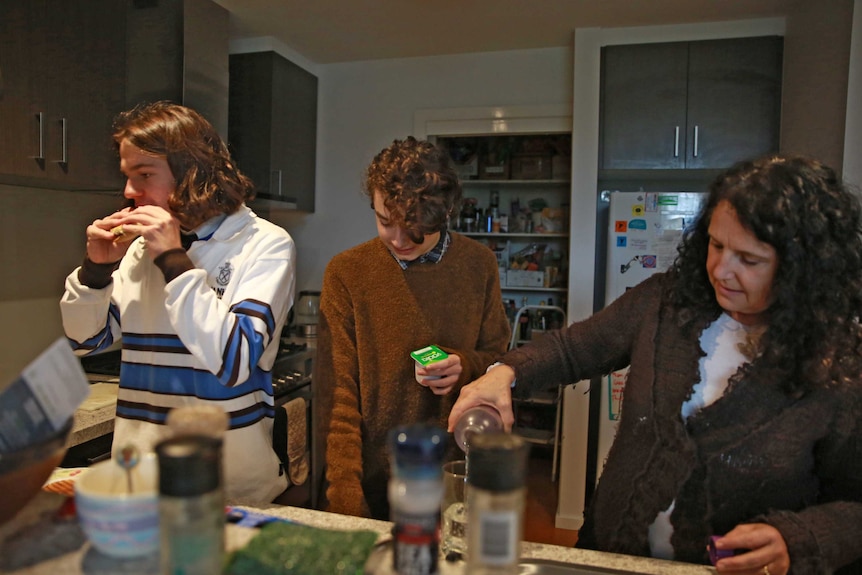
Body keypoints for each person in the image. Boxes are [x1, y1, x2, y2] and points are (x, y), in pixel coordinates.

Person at [448, 154, 862, 575]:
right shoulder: (665, 301)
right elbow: (574, 349)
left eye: (749, 260)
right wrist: (505, 373)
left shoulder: (840, 363)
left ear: (803, 269)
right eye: (716, 245)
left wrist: (800, 538)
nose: (721, 270)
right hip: (611, 553)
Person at [60, 101, 297, 505]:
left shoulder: (265, 244)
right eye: (128, 176)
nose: (129, 192)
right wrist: (95, 272)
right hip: (141, 483)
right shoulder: (138, 251)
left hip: (230, 487)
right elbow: (87, 341)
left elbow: (234, 360)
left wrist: (172, 260)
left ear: (192, 172)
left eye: (144, 175)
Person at [316, 136, 511, 520]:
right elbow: (338, 395)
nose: (398, 240)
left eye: (415, 226)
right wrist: (344, 499)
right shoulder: (347, 272)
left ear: (446, 210)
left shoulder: (478, 264)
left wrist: (464, 365)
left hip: (458, 475)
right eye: (385, 221)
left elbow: (499, 359)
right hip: (374, 478)